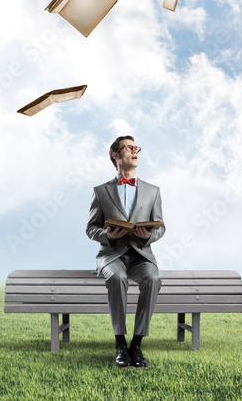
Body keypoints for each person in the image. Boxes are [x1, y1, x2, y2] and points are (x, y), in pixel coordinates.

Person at [86, 135, 165, 368]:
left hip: (141, 254)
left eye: (136, 147)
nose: (135, 151)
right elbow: (91, 229)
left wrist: (149, 235)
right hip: (111, 254)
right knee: (118, 277)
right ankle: (120, 344)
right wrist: (108, 235)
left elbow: (162, 226)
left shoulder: (153, 191)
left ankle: (137, 344)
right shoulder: (101, 191)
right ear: (116, 155)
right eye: (129, 148)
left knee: (152, 278)